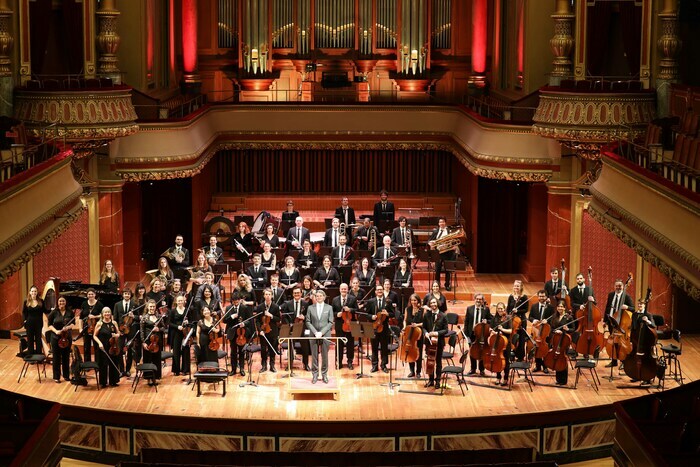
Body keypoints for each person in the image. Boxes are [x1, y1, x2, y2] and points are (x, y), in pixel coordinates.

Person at [603, 278, 635, 368]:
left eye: (620, 286)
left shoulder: (626, 296)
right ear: (614, 286)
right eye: (616, 286)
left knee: (621, 343)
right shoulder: (611, 295)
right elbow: (607, 308)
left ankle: (623, 361)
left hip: (621, 323)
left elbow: (633, 308)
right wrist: (605, 320)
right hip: (612, 321)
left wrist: (627, 307)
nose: (618, 287)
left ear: (622, 286)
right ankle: (613, 360)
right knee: (613, 341)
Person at [44, 297, 75, 383]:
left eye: (63, 301)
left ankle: (66, 375)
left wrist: (68, 327)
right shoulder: (54, 312)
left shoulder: (70, 312)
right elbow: (49, 324)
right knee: (56, 357)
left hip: (67, 337)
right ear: (58, 302)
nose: (62, 302)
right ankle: (56, 376)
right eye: (60, 301)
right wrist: (56, 331)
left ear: (65, 302)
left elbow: (73, 323)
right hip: (55, 337)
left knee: (66, 356)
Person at [306, 289, 334, 384]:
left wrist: (321, 332)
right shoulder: (310, 307)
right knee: (314, 355)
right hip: (313, 334)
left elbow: (330, 322)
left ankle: (324, 374)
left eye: (320, 296)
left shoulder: (329, 307)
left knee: (325, 355)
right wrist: (315, 332)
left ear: (324, 297)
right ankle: (314, 374)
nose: (318, 297)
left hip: (325, 334)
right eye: (317, 296)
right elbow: (308, 321)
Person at [281, 288, 310, 371]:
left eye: (298, 293)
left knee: (305, 347)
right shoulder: (288, 304)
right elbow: (284, 316)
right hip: (292, 328)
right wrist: (289, 324)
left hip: (303, 328)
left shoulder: (306, 303)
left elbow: (309, 315)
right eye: (295, 293)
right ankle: (290, 365)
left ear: (301, 294)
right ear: (293, 294)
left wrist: (304, 317)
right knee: (291, 346)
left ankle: (306, 364)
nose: (296, 294)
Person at [367, 284, 394, 373]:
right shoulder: (371, 301)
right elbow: (367, 314)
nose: (379, 291)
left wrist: (388, 314)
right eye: (378, 290)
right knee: (374, 347)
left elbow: (393, 314)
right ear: (375, 292)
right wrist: (372, 317)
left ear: (383, 291)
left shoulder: (388, 301)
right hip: (374, 328)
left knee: (384, 348)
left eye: (381, 290)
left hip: (384, 328)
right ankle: (374, 365)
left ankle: (383, 365)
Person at [224, 293, 253, 376]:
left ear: (240, 300)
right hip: (232, 333)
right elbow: (225, 321)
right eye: (234, 301)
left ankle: (242, 369)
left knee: (241, 351)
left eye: (237, 301)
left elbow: (249, 319)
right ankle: (233, 369)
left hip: (242, 333)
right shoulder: (229, 308)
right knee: (233, 352)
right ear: (232, 301)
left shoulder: (245, 308)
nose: (236, 302)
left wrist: (244, 324)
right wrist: (231, 317)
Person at [422, 297, 447, 388]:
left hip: (439, 342)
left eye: (434, 303)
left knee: (438, 362)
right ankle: (431, 380)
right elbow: (424, 327)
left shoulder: (443, 315)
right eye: (431, 303)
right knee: (430, 361)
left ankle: (438, 381)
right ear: (429, 304)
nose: (433, 304)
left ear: (438, 304)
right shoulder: (426, 315)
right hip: (429, 342)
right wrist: (426, 333)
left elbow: (446, 330)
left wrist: (436, 333)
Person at [93, 307, 120, 388]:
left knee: (113, 362)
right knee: (103, 364)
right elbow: (94, 336)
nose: (107, 314)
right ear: (102, 314)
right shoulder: (99, 324)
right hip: (103, 346)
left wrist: (116, 335)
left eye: (108, 312)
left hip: (113, 346)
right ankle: (103, 382)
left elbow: (118, 333)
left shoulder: (114, 323)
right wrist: (100, 343)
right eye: (105, 312)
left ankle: (113, 381)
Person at [465, 293, 492, 376]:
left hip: (482, 334)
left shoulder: (486, 310)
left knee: (482, 351)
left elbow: (492, 319)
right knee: (472, 351)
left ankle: (481, 369)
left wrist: (487, 321)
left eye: (480, 299)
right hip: (472, 333)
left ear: (482, 301)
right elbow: (466, 322)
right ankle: (473, 368)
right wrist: (466, 334)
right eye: (477, 299)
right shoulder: (469, 309)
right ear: (474, 299)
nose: (478, 301)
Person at [332, 283, 357, 370]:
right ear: (339, 289)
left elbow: (356, 310)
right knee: (339, 344)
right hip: (339, 324)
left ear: (347, 289)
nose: (343, 290)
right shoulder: (335, 300)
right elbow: (332, 312)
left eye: (345, 289)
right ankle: (338, 362)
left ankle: (350, 361)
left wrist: (350, 309)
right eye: (342, 289)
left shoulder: (353, 299)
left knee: (350, 344)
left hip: (349, 324)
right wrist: (336, 314)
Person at [428, 217, 456, 291]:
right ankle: (437, 285)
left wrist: (453, 246)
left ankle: (447, 284)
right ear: (438, 223)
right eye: (440, 222)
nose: (441, 223)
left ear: (445, 223)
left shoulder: (449, 231)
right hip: (438, 253)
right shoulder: (435, 231)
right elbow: (429, 241)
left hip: (448, 253)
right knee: (438, 269)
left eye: (443, 222)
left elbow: (454, 240)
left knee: (448, 270)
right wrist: (431, 243)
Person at [529, 290, 554, 373]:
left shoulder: (550, 307)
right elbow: (530, 317)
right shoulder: (534, 306)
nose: (541, 298)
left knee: (545, 349)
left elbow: (553, 318)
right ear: (538, 297)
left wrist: (547, 322)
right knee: (537, 348)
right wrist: (534, 320)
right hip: (536, 331)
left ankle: (545, 366)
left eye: (543, 296)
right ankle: (538, 365)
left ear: (546, 297)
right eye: (540, 296)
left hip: (545, 332)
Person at [549, 300, 573, 386]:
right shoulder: (554, 316)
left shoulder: (568, 317)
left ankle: (563, 380)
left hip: (564, 341)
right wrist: (555, 331)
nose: (560, 308)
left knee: (562, 359)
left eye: (562, 306)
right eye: (559, 306)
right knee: (556, 358)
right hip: (556, 340)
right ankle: (558, 379)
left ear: (565, 308)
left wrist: (567, 330)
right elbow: (551, 328)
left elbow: (573, 329)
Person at [257, 288, 280, 372]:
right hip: (263, 331)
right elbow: (257, 321)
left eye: (269, 294)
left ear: (272, 296)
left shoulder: (275, 307)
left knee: (272, 348)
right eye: (266, 294)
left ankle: (272, 365)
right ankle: (263, 366)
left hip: (272, 331)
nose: (267, 296)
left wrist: (271, 316)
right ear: (264, 296)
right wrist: (260, 330)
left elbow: (278, 319)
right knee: (263, 349)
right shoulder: (260, 307)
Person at [489, 302, 512, 386]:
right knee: (497, 359)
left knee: (506, 361)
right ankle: (498, 377)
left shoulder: (508, 318)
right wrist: (493, 332)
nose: (500, 310)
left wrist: (502, 329)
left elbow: (510, 331)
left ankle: (506, 378)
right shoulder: (494, 318)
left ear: (504, 309)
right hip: (497, 342)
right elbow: (491, 328)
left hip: (506, 343)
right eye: (498, 308)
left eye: (501, 308)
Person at [168, 295, 191, 376]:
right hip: (176, 333)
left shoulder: (187, 310)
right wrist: (177, 327)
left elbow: (191, 321)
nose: (180, 302)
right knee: (176, 351)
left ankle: (185, 369)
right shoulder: (173, 311)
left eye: (182, 301)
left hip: (185, 332)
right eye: (179, 301)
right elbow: (169, 323)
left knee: (185, 350)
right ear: (176, 302)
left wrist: (187, 322)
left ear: (184, 301)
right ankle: (176, 370)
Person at [507, 280, 529, 362]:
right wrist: (509, 314)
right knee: (512, 337)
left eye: (518, 286)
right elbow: (508, 308)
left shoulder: (524, 297)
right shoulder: (511, 297)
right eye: (515, 286)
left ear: (521, 287)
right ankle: (512, 353)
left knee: (521, 338)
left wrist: (518, 311)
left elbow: (526, 309)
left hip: (521, 320)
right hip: (512, 320)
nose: (516, 287)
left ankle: (520, 356)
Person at [141, 300, 163, 381]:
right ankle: (148, 378)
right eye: (150, 306)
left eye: (153, 306)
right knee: (148, 359)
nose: (152, 308)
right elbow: (142, 331)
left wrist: (159, 329)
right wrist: (143, 342)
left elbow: (164, 328)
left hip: (157, 341)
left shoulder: (159, 316)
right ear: (147, 307)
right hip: (148, 341)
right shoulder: (144, 317)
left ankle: (156, 377)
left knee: (156, 359)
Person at [403, 293, 425, 378]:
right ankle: (412, 371)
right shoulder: (407, 309)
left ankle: (418, 371)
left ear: (418, 301)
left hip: (418, 334)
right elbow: (405, 320)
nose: (413, 302)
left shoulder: (422, 310)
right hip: (409, 333)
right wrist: (404, 326)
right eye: (412, 300)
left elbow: (424, 323)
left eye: (415, 300)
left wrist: (417, 325)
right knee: (409, 351)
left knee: (418, 353)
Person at [80, 288, 103, 362]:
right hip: (86, 328)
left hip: (96, 327)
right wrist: (80, 328)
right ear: (87, 295)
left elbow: (103, 315)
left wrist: (94, 317)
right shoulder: (84, 304)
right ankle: (87, 363)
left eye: (92, 294)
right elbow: (81, 318)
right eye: (89, 294)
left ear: (95, 295)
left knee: (96, 346)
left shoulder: (99, 304)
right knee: (87, 346)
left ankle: (97, 363)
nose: (90, 295)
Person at [22, 285, 44, 355]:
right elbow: (24, 312)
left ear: (37, 292)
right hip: (29, 323)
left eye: (35, 291)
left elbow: (45, 310)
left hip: (38, 323)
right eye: (32, 291)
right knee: (30, 340)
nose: (33, 292)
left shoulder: (41, 301)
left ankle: (39, 355)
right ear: (30, 292)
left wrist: (52, 309)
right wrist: (24, 320)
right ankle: (30, 356)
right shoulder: (26, 301)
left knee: (38, 339)